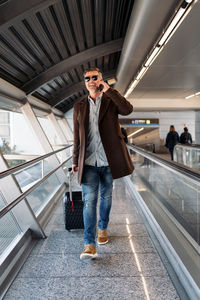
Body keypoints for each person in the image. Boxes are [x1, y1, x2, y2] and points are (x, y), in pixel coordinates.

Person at [72, 67, 134, 260]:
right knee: (89, 202)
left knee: (106, 197)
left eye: (94, 77)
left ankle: (102, 228)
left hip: (109, 161)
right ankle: (89, 244)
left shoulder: (110, 100)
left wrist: (109, 90)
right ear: (85, 82)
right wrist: (75, 160)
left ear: (100, 79)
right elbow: (76, 136)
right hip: (88, 161)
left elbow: (127, 109)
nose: (91, 80)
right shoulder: (79, 106)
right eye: (87, 78)